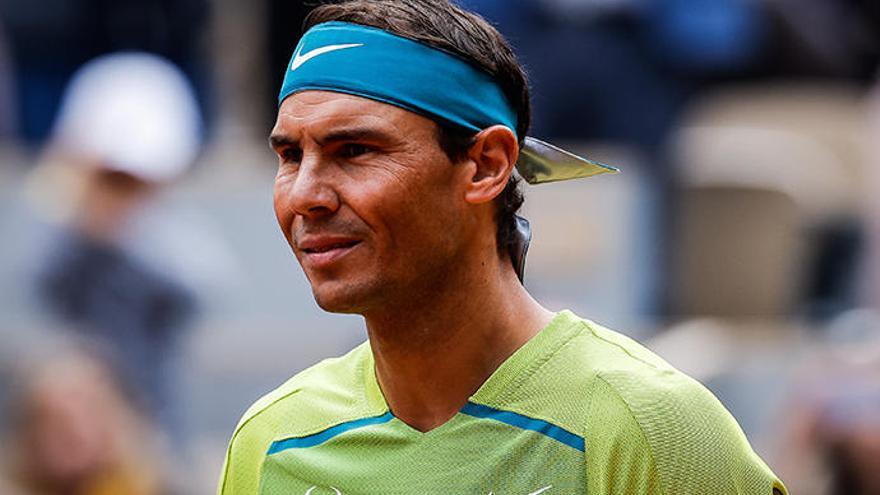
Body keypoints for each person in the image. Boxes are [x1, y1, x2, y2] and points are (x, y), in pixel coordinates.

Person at [218, 1, 788, 493]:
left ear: (486, 166)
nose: (306, 196)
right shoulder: (273, 442)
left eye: (355, 151)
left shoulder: (654, 431)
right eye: (290, 156)